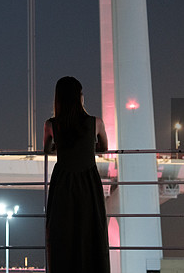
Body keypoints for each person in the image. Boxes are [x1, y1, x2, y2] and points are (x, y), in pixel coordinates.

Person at [43, 76, 110, 273]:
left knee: (62, 232)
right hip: (88, 182)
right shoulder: (95, 122)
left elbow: (48, 149)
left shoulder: (51, 124)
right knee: (91, 230)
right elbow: (104, 148)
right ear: (80, 97)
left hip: (63, 181)